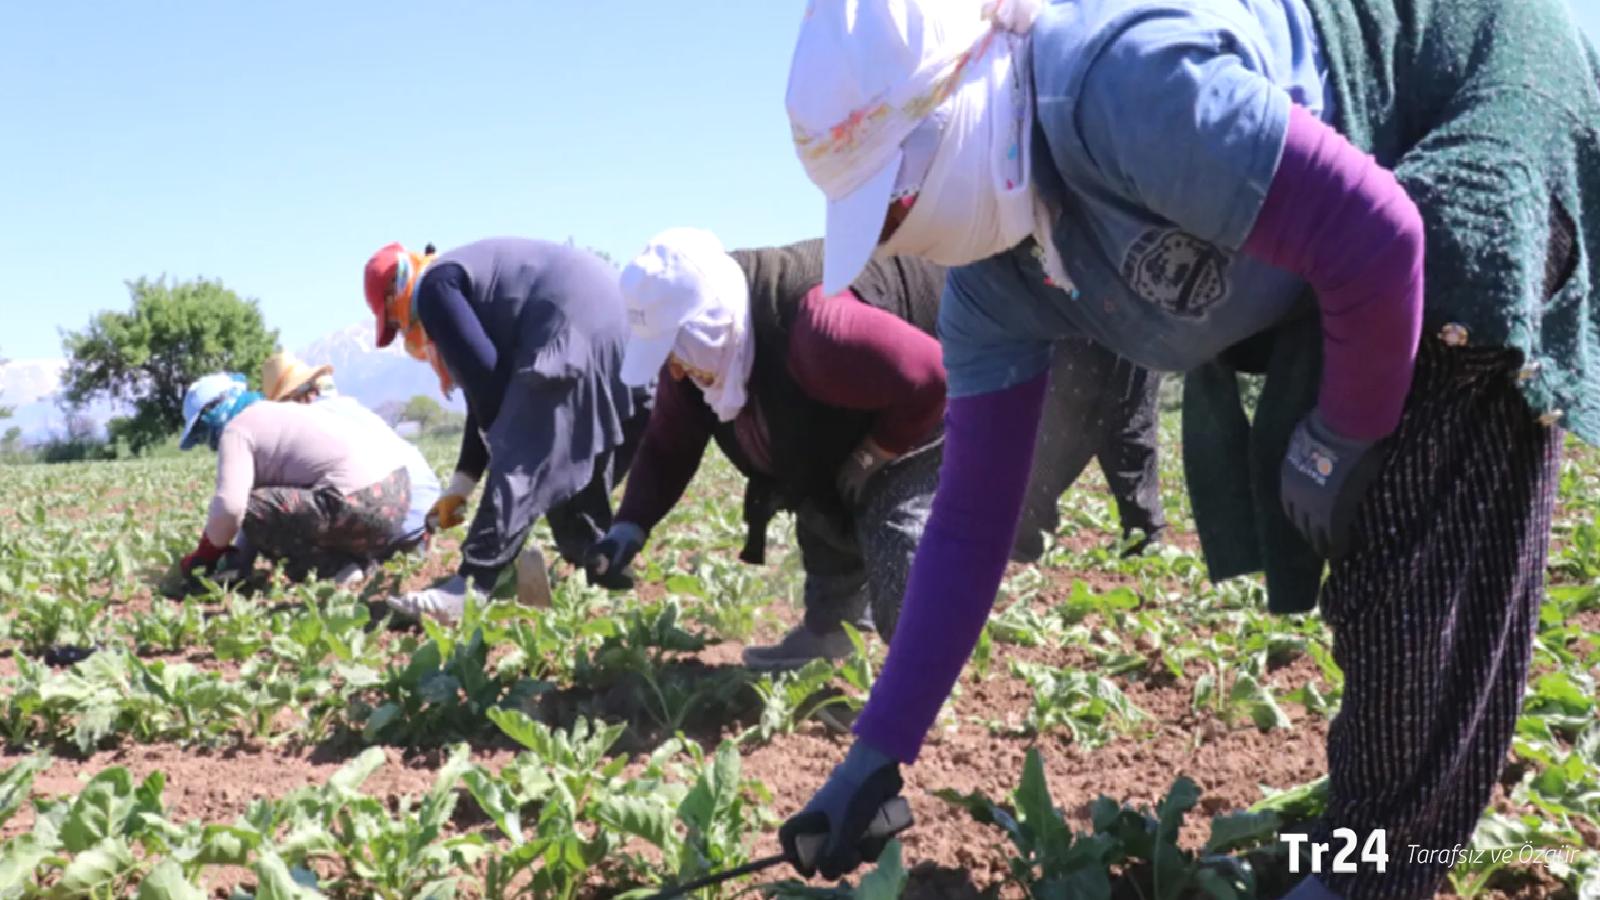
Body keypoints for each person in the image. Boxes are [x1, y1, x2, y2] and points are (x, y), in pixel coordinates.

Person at [776, 1, 1600, 898]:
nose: (901, 235)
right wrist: (877, 750)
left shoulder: (1123, 87)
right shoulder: (992, 287)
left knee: (1416, 536)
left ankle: (1381, 864)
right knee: (1375, 558)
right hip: (1355, 233)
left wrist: (1341, 437)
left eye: (894, 202)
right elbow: (970, 521)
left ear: (961, 105)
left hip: (1480, 85)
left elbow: (1381, 234)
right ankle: (1365, 841)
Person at [585, 229, 950, 671]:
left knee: (898, 531)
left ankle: (921, 680)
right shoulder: (700, 353)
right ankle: (830, 636)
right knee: (810, 470)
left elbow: (933, 378)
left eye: (676, 352)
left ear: (710, 323)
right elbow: (668, 443)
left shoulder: (821, 331)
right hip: (864, 392)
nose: (675, 369)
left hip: (933, 386)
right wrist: (629, 525)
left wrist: (875, 452)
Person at [362, 238, 652, 623]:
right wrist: (461, 486)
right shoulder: (475, 282)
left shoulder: (434, 290)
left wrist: (508, 481)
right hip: (626, 333)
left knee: (527, 449)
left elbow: (492, 396)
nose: (403, 334)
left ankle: (469, 586)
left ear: (398, 296)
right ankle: (600, 559)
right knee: (562, 459)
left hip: (570, 326)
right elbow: (487, 390)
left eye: (395, 325)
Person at [176, 372, 412, 586]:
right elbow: (271, 505)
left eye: (202, 433)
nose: (207, 443)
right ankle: (363, 562)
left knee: (252, 508)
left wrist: (204, 557)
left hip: (358, 499)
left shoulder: (237, 429)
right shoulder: (278, 412)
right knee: (276, 505)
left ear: (213, 415)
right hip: (397, 493)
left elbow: (232, 508)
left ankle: (332, 569)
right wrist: (239, 562)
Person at [260, 349, 442, 556]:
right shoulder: (349, 405)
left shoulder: (300, 426)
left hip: (390, 526)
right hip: (429, 506)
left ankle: (340, 565)